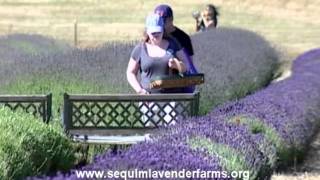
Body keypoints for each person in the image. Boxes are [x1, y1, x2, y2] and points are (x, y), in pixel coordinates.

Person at [126, 13, 188, 126]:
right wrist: (140, 91)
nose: (155, 36)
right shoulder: (140, 49)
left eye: (158, 33)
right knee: (150, 136)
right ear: (147, 32)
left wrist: (176, 65)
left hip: (172, 100)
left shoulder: (173, 45)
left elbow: (185, 67)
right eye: (153, 33)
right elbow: (130, 72)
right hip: (149, 100)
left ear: (163, 30)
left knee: (173, 133)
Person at [154, 4, 198, 93]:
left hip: (180, 82)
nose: (160, 25)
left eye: (162, 21)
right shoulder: (156, 35)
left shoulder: (183, 38)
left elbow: (190, 64)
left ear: (171, 20)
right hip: (159, 82)